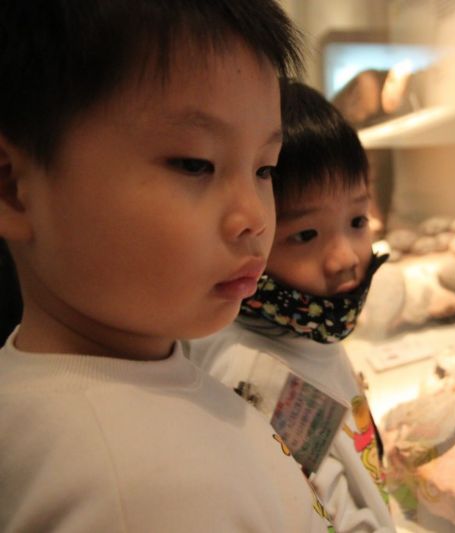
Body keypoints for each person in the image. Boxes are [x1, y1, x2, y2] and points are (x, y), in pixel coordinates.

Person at [0, 2, 333, 531]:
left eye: (264, 169)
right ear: (14, 189)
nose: (254, 217)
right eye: (195, 164)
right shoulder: (144, 494)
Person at [190, 81, 395, 533]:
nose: (345, 258)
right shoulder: (261, 377)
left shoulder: (304, 326)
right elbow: (324, 509)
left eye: (357, 220)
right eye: (305, 235)